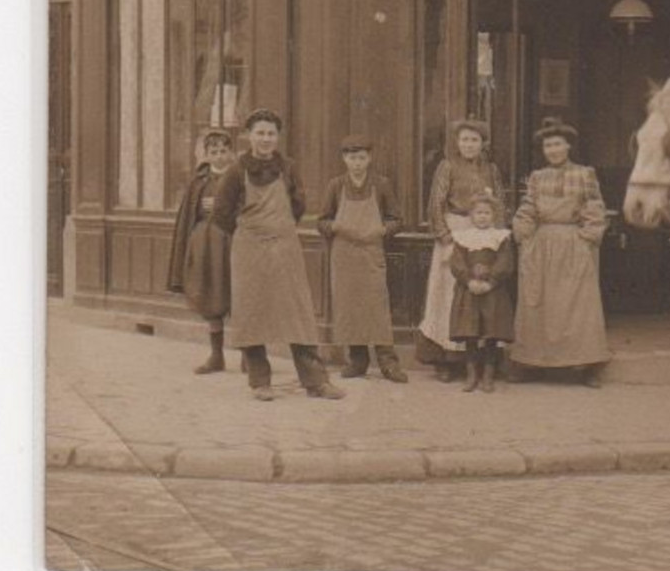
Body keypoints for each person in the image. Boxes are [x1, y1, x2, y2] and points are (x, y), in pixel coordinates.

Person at [211, 109, 344, 403]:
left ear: (277, 137)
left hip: (285, 246)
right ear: (248, 135)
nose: (266, 139)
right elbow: (221, 213)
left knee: (299, 313)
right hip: (249, 248)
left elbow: (298, 204)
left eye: (271, 133)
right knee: (252, 312)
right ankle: (260, 382)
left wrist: (278, 229)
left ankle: (316, 382)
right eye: (260, 133)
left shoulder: (288, 167)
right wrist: (252, 230)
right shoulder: (236, 170)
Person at [510, 118, 610, 387]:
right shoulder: (537, 177)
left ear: (567, 146)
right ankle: (532, 363)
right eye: (548, 145)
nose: (553, 150)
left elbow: (595, 208)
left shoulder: (585, 174)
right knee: (536, 303)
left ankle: (586, 366)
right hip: (540, 246)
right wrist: (524, 235)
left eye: (557, 144)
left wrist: (586, 238)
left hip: (573, 244)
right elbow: (527, 209)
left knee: (577, 306)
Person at [418, 120, 504, 382]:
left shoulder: (491, 169)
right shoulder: (447, 167)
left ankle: (478, 360)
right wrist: (446, 238)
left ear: (483, 144)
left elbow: (499, 204)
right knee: (447, 296)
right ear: (457, 143)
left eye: (474, 140)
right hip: (454, 232)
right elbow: (436, 203)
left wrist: (495, 239)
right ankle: (444, 359)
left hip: (482, 234)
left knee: (479, 296)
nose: (469, 145)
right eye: (465, 140)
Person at [319, 135, 407, 383]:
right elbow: (321, 221)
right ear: (344, 159)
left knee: (377, 308)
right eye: (351, 158)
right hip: (344, 255)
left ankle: (388, 362)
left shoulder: (381, 184)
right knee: (349, 307)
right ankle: (357, 360)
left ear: (369, 158)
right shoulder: (335, 186)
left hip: (371, 252)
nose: (356, 163)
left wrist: (382, 230)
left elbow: (397, 220)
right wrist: (335, 225)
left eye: (361, 158)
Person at [167, 128, 237, 374]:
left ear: (231, 153)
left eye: (224, 151)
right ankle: (216, 355)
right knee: (210, 296)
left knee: (239, 296)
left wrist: (223, 207)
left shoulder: (239, 178)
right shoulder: (199, 182)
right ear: (206, 154)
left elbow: (249, 209)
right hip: (205, 244)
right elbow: (189, 215)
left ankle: (250, 355)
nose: (219, 156)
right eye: (214, 151)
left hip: (233, 243)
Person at [448, 191, 516, 393]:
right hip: (469, 290)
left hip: (492, 292)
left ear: (493, 215)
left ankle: (488, 375)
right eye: (478, 213)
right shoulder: (463, 238)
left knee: (490, 333)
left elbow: (506, 262)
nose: (483, 217)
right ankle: (471, 374)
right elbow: (456, 262)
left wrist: (491, 281)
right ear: (471, 215)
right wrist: (468, 280)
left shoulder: (500, 237)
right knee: (470, 333)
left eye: (487, 213)